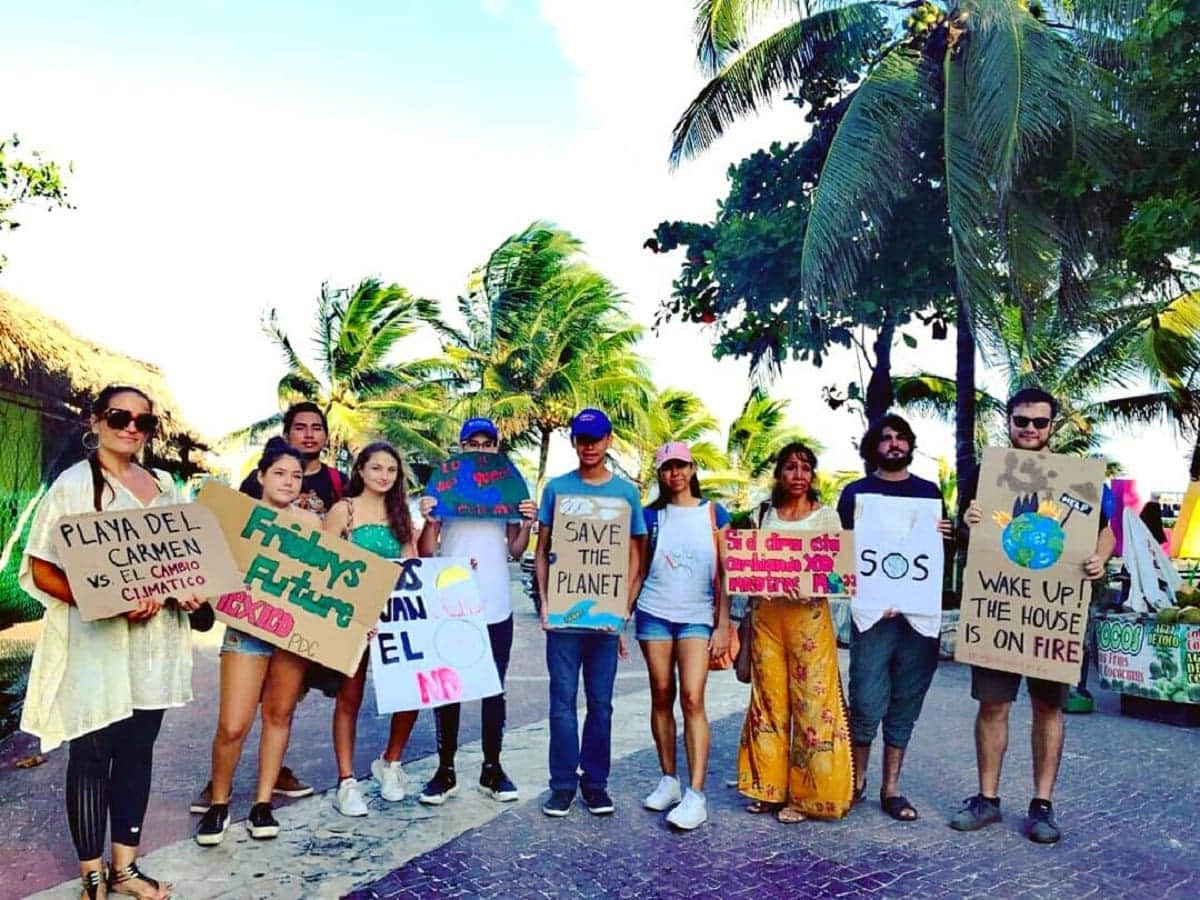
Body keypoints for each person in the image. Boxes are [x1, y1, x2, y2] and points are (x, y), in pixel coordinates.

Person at [20, 385, 202, 900]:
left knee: (137, 752)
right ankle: (92, 875)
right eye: (119, 416)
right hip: (98, 646)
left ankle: (126, 868)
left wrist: (188, 592)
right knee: (93, 753)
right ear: (96, 421)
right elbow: (40, 570)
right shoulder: (74, 487)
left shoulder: (166, 486)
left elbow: (181, 561)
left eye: (143, 422)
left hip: (156, 645)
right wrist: (109, 600)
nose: (130, 427)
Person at [951, 387, 1115, 844]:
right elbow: (966, 538)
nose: (1029, 429)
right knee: (993, 705)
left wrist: (1100, 558)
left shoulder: (1078, 477)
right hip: (1001, 613)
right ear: (1008, 421)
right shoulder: (986, 472)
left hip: (1051, 614)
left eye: (1038, 422)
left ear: (1052, 427)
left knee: (1048, 707)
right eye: (1021, 420)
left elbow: (1105, 534)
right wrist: (969, 520)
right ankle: (987, 799)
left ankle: (1042, 806)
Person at [191, 401, 342, 812]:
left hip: (293, 635)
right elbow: (209, 564)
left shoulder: (314, 525)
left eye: (296, 476)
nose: (289, 481)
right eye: (279, 473)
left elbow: (337, 582)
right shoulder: (238, 517)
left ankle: (262, 803)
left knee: (280, 716)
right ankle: (218, 802)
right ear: (260, 477)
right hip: (246, 631)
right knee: (233, 723)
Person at [836, 414, 952, 822]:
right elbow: (842, 553)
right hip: (873, 616)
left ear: (910, 445)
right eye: (885, 438)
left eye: (901, 438)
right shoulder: (855, 493)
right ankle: (857, 781)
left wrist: (946, 532)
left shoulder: (929, 492)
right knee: (866, 698)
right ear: (874, 446)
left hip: (919, 617)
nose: (893, 444)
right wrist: (872, 592)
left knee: (906, 701)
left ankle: (891, 788)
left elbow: (939, 554)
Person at [415, 418, 537, 805]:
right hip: (451, 599)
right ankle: (445, 769)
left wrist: (528, 523)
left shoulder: (505, 488)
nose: (481, 448)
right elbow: (425, 549)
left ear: (496, 447)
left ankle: (492, 768)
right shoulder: (445, 489)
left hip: (496, 599)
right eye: (474, 441)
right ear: (462, 446)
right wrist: (430, 518)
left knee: (493, 688)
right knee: (447, 686)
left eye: (488, 442)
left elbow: (515, 550)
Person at [536, 408, 646, 817]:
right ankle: (562, 784)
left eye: (596, 438)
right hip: (563, 621)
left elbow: (636, 555)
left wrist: (624, 608)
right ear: (574, 442)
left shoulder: (625, 493)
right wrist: (546, 604)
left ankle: (595, 783)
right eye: (582, 439)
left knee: (601, 704)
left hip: (605, 620)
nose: (589, 446)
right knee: (561, 702)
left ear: (609, 440)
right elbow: (543, 551)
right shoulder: (556, 489)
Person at [737, 442, 853, 824]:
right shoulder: (763, 514)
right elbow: (750, 563)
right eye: (790, 468)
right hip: (767, 615)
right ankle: (766, 788)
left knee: (812, 704)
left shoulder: (827, 517)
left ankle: (810, 796)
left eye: (805, 468)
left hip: (809, 618)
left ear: (813, 476)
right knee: (768, 701)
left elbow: (837, 573)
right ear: (779, 475)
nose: (798, 475)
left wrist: (809, 584)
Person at [636, 442, 731, 830]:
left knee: (692, 696)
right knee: (661, 692)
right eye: (667, 468)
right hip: (653, 613)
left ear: (692, 469)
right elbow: (637, 569)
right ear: (659, 473)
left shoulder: (714, 513)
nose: (675, 474)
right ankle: (669, 779)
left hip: (697, 617)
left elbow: (727, 572)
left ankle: (696, 793)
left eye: (681, 466)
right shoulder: (650, 516)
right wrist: (621, 612)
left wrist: (723, 623)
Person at [323, 441, 419, 817]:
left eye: (391, 470)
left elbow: (413, 565)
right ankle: (346, 781)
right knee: (349, 698)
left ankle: (391, 761)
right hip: (355, 620)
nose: (384, 475)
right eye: (376, 468)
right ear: (360, 470)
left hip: (397, 618)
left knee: (410, 692)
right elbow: (324, 566)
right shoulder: (343, 511)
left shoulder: (401, 514)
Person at [238, 401, 345, 516]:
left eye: (316, 428)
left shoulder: (339, 481)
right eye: (300, 428)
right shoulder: (258, 479)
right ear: (286, 436)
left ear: (326, 437)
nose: (309, 434)